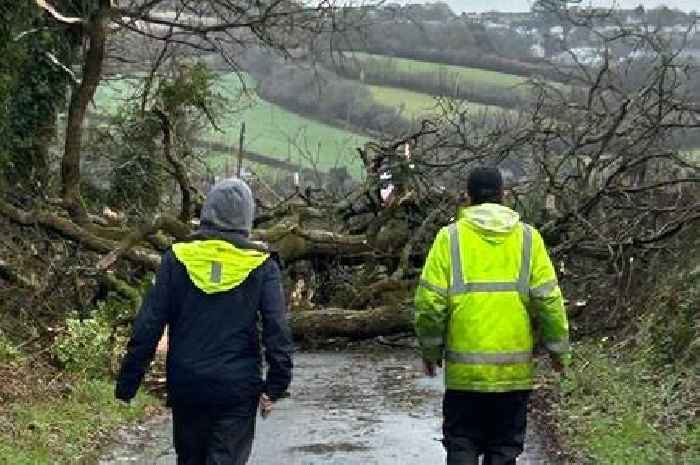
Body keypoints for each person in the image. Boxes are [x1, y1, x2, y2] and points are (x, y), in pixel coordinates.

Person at [116, 178, 293, 465]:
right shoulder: (262, 265)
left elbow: (148, 324)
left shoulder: (177, 258)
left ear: (207, 212)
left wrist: (128, 383)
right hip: (237, 390)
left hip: (188, 386)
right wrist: (276, 385)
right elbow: (277, 329)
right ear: (246, 218)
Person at [414, 167, 570, 465]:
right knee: (503, 449)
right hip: (512, 376)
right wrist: (558, 351)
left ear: (467, 198)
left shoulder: (449, 239)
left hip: (464, 376)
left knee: (462, 443)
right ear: (505, 196)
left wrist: (431, 351)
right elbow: (550, 301)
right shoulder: (529, 239)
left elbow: (429, 304)